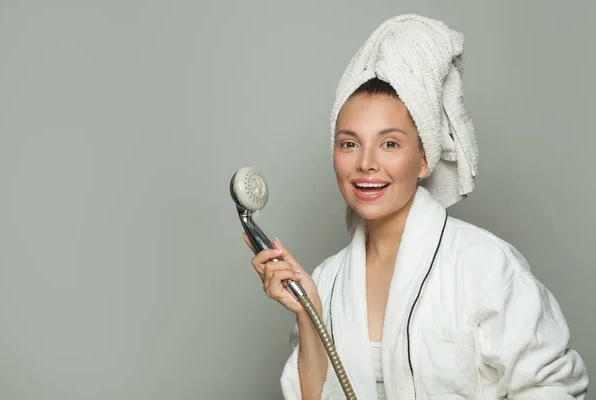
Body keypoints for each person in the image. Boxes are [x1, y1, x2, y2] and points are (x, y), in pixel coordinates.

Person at [243, 14, 589, 399]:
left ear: (424, 159)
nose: (366, 163)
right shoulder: (325, 281)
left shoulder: (485, 265)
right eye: (349, 143)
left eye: (390, 143)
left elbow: (554, 387)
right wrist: (309, 318)